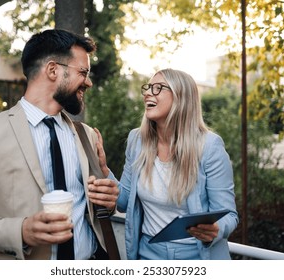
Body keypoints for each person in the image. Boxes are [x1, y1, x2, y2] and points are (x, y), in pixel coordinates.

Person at [0, 29, 119, 260]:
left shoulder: (86, 135)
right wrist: (21, 231)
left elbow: (95, 209)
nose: (88, 82)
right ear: (52, 70)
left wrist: (108, 202)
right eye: (83, 72)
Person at [93, 68, 238, 260]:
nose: (147, 93)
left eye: (158, 88)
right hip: (148, 253)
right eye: (148, 87)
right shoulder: (137, 140)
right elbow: (124, 202)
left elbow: (230, 216)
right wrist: (104, 168)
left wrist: (215, 230)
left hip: (197, 256)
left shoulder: (209, 146)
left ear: (181, 97)